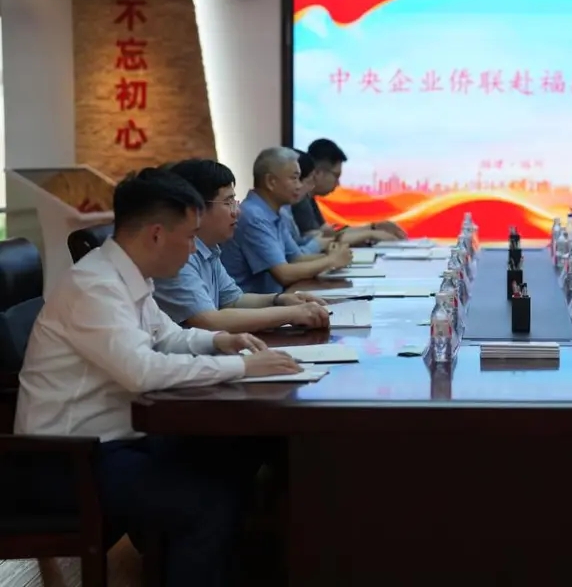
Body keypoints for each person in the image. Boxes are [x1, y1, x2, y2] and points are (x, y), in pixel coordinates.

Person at [14, 168, 301, 587]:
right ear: (156, 234)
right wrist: (242, 367)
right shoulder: (95, 287)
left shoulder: (127, 274)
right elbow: (142, 372)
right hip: (69, 461)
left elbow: (166, 336)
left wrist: (221, 340)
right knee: (208, 503)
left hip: (116, 440)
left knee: (235, 454)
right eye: (190, 237)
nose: (193, 249)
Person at [154, 158, 331, 333]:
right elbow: (209, 321)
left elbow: (233, 300)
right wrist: (290, 314)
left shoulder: (209, 247)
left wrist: (280, 300)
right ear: (196, 209)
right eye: (228, 202)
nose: (237, 211)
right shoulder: (177, 254)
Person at [220, 146, 353, 293]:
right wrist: (330, 261)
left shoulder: (278, 211)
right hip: (252, 304)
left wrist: (331, 256)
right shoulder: (254, 216)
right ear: (271, 182)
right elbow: (284, 274)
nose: (299, 186)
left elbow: (295, 258)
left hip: (275, 299)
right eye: (294, 178)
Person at [293, 138, 406, 246]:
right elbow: (322, 240)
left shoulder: (309, 198)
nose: (338, 184)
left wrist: (374, 227)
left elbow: (329, 234)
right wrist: (371, 233)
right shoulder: (299, 198)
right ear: (318, 173)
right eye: (336, 176)